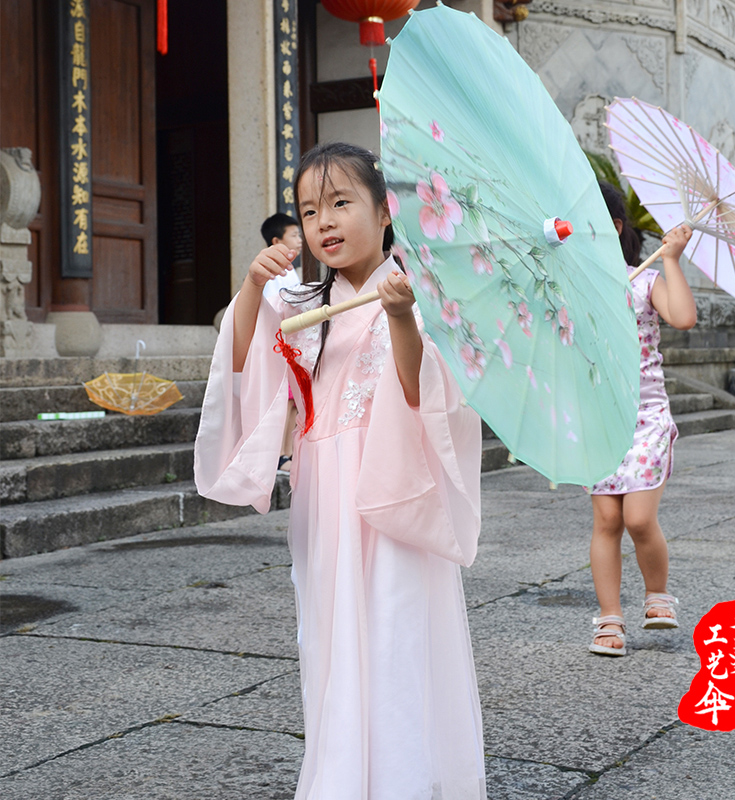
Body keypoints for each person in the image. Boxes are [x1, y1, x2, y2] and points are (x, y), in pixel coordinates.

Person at [195, 142, 486, 798]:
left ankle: (404, 781)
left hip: (392, 485)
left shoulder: (413, 291)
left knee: (394, 631)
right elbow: (241, 366)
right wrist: (248, 286)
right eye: (308, 209)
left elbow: (420, 393)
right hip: (323, 490)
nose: (322, 221)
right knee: (329, 636)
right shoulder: (295, 299)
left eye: (340, 202)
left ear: (385, 212)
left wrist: (402, 316)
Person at [588, 182, 697, 657]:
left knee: (636, 517)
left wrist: (671, 258)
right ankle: (609, 622)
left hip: (647, 417)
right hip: (599, 417)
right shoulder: (577, 289)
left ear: (613, 227)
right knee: (607, 519)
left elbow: (684, 317)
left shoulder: (642, 280)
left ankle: (658, 594)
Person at [260, 213, 303, 473]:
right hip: (280, 345)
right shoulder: (271, 273)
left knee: (294, 402)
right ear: (276, 241)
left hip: (292, 345)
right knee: (285, 402)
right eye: (294, 235)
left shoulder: (290, 271)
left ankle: (287, 452)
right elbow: (273, 310)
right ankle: (278, 455)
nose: (300, 240)